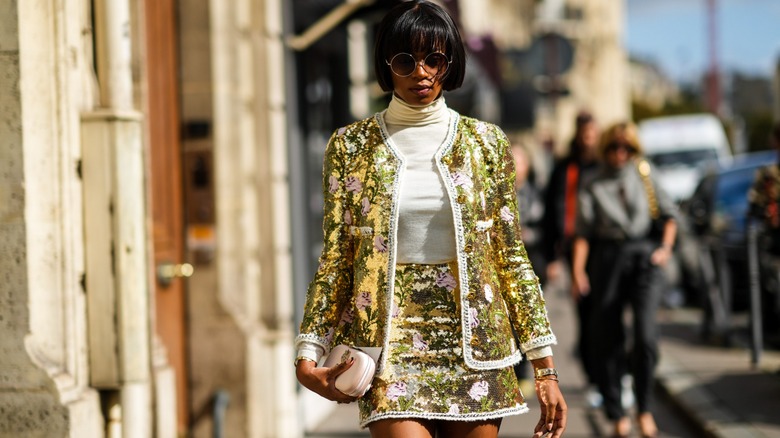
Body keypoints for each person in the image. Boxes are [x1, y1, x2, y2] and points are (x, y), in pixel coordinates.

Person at [294, 2, 567, 437]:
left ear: (450, 63)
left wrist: (545, 368)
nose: (421, 72)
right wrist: (309, 350)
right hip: (389, 344)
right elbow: (337, 259)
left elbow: (511, 258)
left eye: (434, 59)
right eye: (405, 60)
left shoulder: (487, 144)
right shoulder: (350, 147)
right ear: (386, 65)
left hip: (477, 341)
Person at [571, 122, 677, 438]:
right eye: (615, 148)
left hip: (644, 256)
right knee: (607, 335)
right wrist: (578, 272)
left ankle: (644, 408)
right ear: (605, 150)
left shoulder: (644, 173)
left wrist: (665, 249)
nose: (621, 154)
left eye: (627, 148)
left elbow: (670, 214)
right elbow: (582, 234)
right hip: (608, 257)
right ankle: (616, 410)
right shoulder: (592, 181)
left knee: (646, 336)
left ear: (634, 150)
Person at [541, 111, 602, 407]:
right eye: (584, 132)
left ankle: (608, 374)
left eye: (592, 132)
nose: (588, 138)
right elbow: (553, 210)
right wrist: (552, 255)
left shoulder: (603, 164)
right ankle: (594, 377)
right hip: (572, 249)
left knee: (605, 313)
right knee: (586, 313)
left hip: (602, 248)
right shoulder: (565, 167)